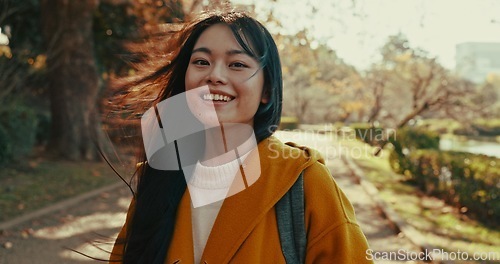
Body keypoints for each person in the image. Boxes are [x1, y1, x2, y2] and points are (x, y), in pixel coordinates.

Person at [109, 10, 373, 264]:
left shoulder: (306, 183)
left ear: (266, 91)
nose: (215, 76)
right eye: (201, 62)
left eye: (237, 64)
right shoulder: (156, 178)